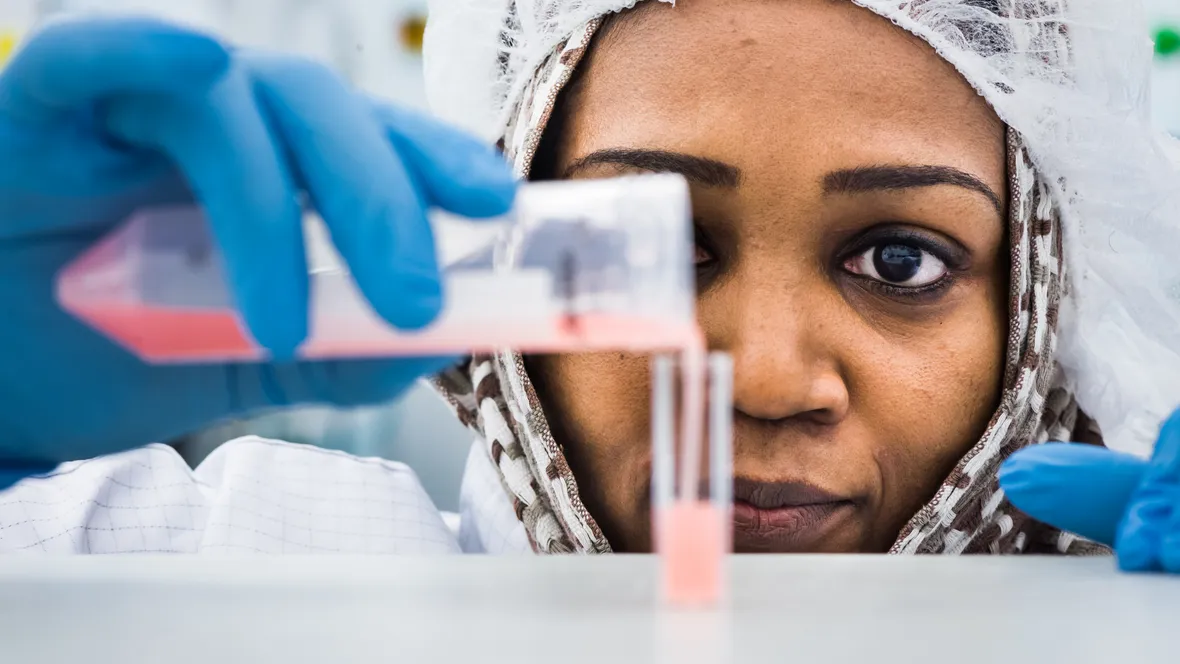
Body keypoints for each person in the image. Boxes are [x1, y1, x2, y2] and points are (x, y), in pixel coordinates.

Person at [0, 1, 1178, 569]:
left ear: (1032, 314)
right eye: (655, 244)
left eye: (900, 261)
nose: (765, 381)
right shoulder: (249, 577)